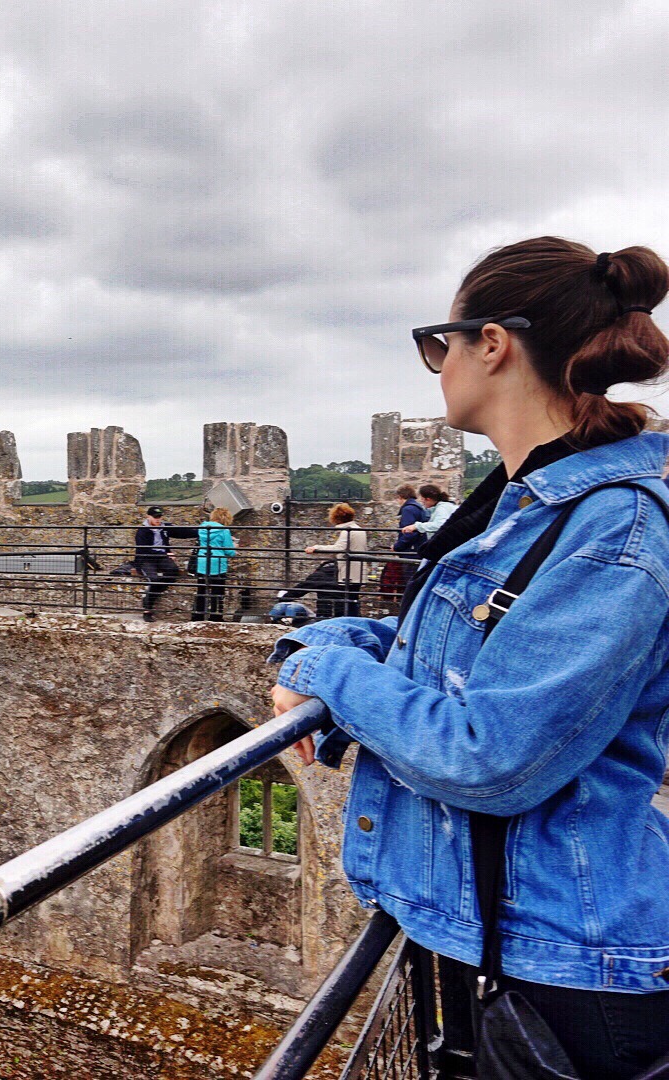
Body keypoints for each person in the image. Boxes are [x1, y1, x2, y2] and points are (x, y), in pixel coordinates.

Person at [270, 238, 669, 1077]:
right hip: (514, 944)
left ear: (493, 343)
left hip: (573, 971)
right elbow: (438, 653)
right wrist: (317, 642)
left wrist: (321, 675)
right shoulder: (529, 505)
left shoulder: (613, 527)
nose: (436, 365)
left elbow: (490, 755)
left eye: (436, 343)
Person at [131, 506, 196, 622]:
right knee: (154, 579)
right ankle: (148, 609)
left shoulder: (164, 527)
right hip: (146, 559)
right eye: (155, 517)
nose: (158, 519)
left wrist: (202, 531)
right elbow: (143, 550)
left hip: (161, 557)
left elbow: (182, 532)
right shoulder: (142, 531)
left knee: (173, 571)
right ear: (148, 517)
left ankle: (150, 596)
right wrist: (166, 553)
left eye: (159, 517)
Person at [304, 503, 366, 617]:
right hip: (357, 571)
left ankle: (343, 621)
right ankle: (353, 621)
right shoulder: (358, 529)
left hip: (348, 573)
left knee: (343, 602)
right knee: (352, 601)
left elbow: (339, 548)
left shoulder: (347, 531)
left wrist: (316, 548)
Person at [190, 506, 236, 621]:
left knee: (201, 591)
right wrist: (235, 546)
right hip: (217, 564)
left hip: (202, 562)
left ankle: (197, 616)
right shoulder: (224, 530)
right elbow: (229, 552)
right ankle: (216, 617)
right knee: (217, 591)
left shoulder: (202, 528)